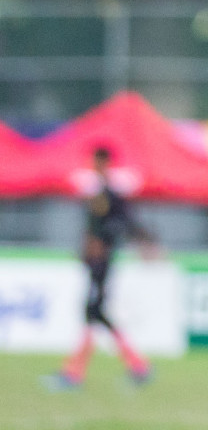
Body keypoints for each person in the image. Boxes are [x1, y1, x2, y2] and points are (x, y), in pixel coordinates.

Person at [44, 146, 153, 390]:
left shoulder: (112, 194)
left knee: (93, 311)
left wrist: (104, 244)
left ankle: (74, 374)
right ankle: (136, 365)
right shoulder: (95, 193)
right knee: (96, 313)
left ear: (104, 163)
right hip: (95, 261)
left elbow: (122, 223)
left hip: (103, 262)